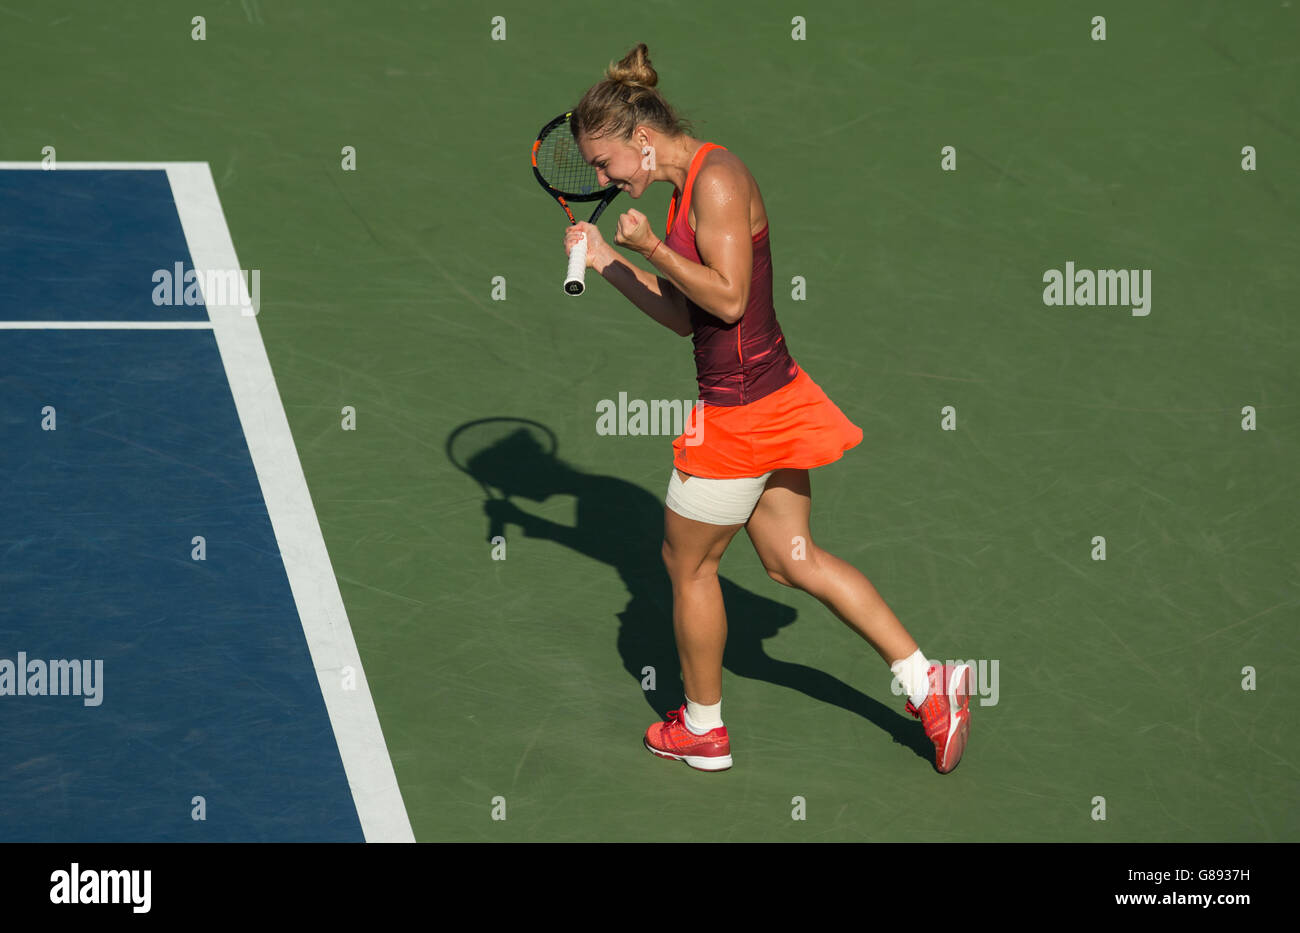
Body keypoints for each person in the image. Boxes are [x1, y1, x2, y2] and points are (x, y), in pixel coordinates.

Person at [562, 42, 972, 774]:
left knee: (685, 568)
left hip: (742, 417)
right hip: (774, 398)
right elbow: (691, 320)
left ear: (643, 141)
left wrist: (651, 244)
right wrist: (609, 262)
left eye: (605, 162)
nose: (601, 177)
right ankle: (928, 681)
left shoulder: (717, 183)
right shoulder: (693, 184)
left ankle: (704, 728)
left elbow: (726, 297)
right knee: (792, 558)